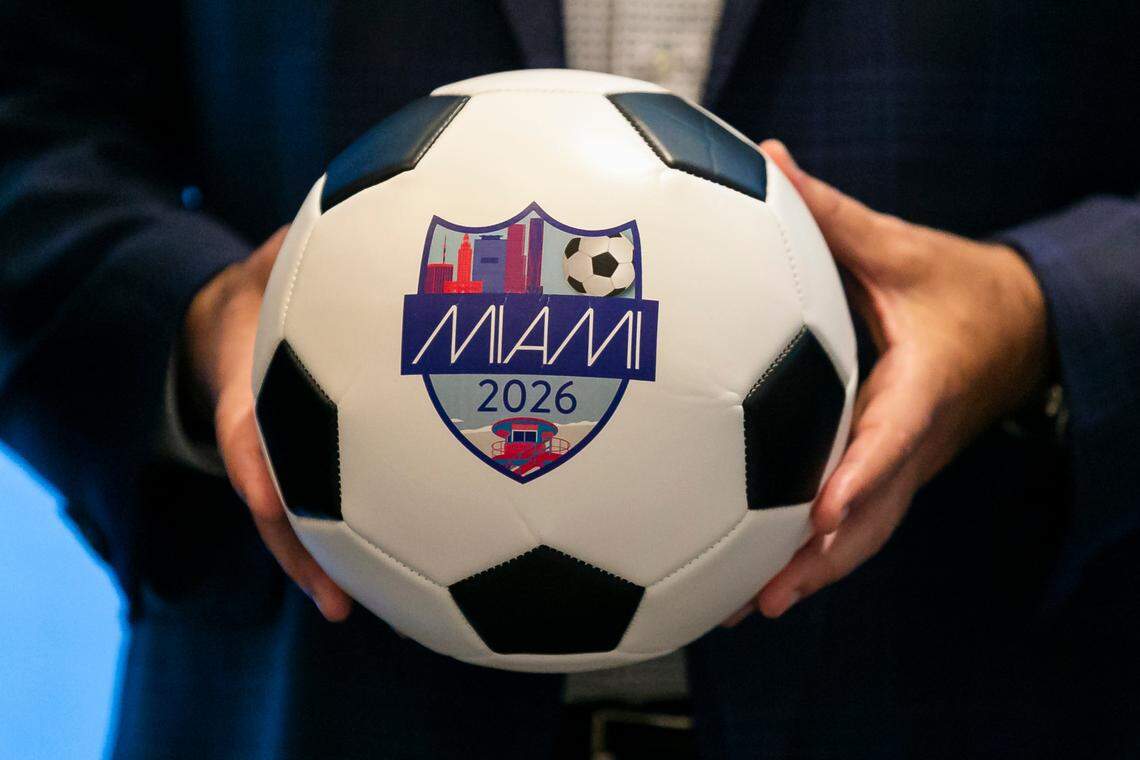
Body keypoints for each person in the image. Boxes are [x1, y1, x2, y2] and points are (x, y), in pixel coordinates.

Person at [2, 1, 1137, 758]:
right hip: (314, 706)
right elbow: (29, 126)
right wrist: (200, 322)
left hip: (974, 687)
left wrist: (1039, 311)